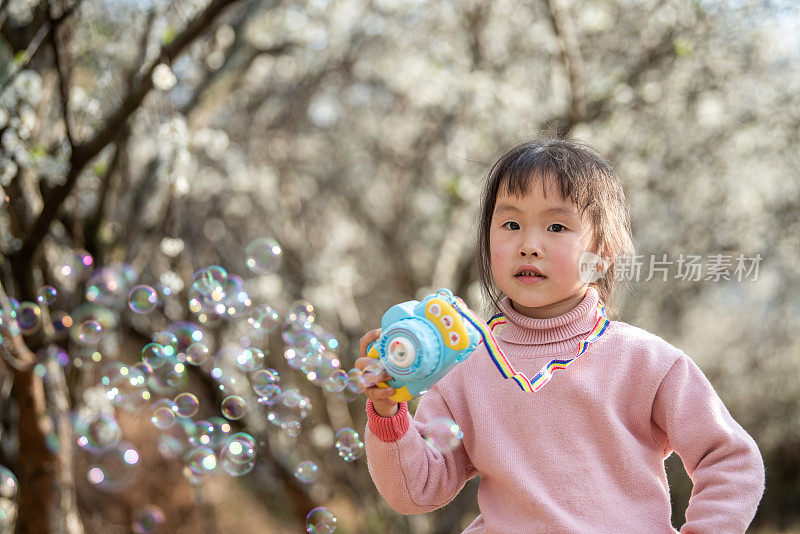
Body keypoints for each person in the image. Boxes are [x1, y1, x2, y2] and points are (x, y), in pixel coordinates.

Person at [354, 139, 765, 533]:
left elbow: (729, 459)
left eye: (556, 226)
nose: (529, 245)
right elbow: (417, 491)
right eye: (511, 224)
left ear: (602, 254)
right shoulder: (463, 363)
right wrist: (388, 412)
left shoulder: (645, 361)